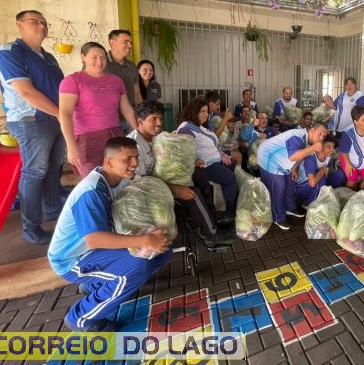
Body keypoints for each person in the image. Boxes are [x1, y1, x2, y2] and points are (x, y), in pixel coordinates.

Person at [47, 137, 171, 332]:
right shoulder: (91, 192)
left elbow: (145, 190)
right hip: (72, 259)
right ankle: (80, 318)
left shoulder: (119, 178)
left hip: (94, 250)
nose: (134, 163)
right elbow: (94, 239)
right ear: (109, 162)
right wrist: (146, 239)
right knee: (137, 265)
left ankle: (95, 285)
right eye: (127, 159)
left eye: (136, 157)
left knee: (162, 250)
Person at [0, 10, 65, 245]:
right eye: (35, 21)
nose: (42, 26)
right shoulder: (9, 51)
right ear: (20, 25)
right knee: (35, 171)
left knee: (54, 167)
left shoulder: (48, 57)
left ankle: (53, 212)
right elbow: (26, 91)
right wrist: (61, 114)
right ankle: (31, 227)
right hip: (31, 120)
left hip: (54, 119)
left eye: (44, 22)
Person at [127, 101, 233, 248]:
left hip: (162, 179)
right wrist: (175, 189)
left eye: (160, 119)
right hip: (149, 191)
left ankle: (212, 216)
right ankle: (210, 235)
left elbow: (166, 160)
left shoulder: (155, 137)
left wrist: (189, 162)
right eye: (153, 119)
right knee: (192, 193)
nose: (159, 123)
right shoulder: (133, 145)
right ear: (140, 121)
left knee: (199, 173)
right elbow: (138, 181)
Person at [59, 42, 137, 178]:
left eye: (103, 58)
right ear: (83, 57)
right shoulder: (73, 80)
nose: (99, 62)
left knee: (118, 176)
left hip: (115, 134)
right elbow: (65, 114)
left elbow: (126, 109)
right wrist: (71, 146)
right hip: (87, 139)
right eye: (94, 57)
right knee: (95, 179)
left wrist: (138, 132)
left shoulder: (116, 80)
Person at [257, 123, 329, 230]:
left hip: (282, 160)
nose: (322, 138)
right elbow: (293, 157)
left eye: (324, 136)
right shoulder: (298, 136)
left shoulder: (311, 142)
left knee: (291, 182)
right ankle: (278, 217)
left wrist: (294, 167)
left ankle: (289, 207)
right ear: (312, 130)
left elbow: (302, 156)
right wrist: (313, 148)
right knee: (278, 187)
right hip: (268, 156)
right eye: (320, 134)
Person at [177, 98, 238, 217]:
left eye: (207, 111)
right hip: (206, 166)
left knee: (234, 166)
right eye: (203, 111)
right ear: (194, 111)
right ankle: (230, 211)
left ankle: (230, 199)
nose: (206, 114)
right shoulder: (186, 128)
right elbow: (182, 149)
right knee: (230, 178)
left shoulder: (198, 126)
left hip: (215, 160)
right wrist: (194, 161)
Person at [105, 29, 141, 131]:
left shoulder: (132, 66)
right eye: (125, 42)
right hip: (109, 120)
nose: (129, 46)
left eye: (130, 42)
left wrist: (143, 115)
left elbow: (137, 94)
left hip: (130, 118)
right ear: (112, 43)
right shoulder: (101, 63)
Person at [295, 134, 337, 208]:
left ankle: (322, 196)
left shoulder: (329, 157)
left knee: (339, 175)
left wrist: (324, 172)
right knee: (321, 178)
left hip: (317, 184)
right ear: (321, 146)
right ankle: (307, 204)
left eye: (333, 147)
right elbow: (312, 183)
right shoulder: (311, 158)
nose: (332, 150)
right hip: (302, 187)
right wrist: (323, 170)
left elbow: (327, 172)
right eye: (329, 146)